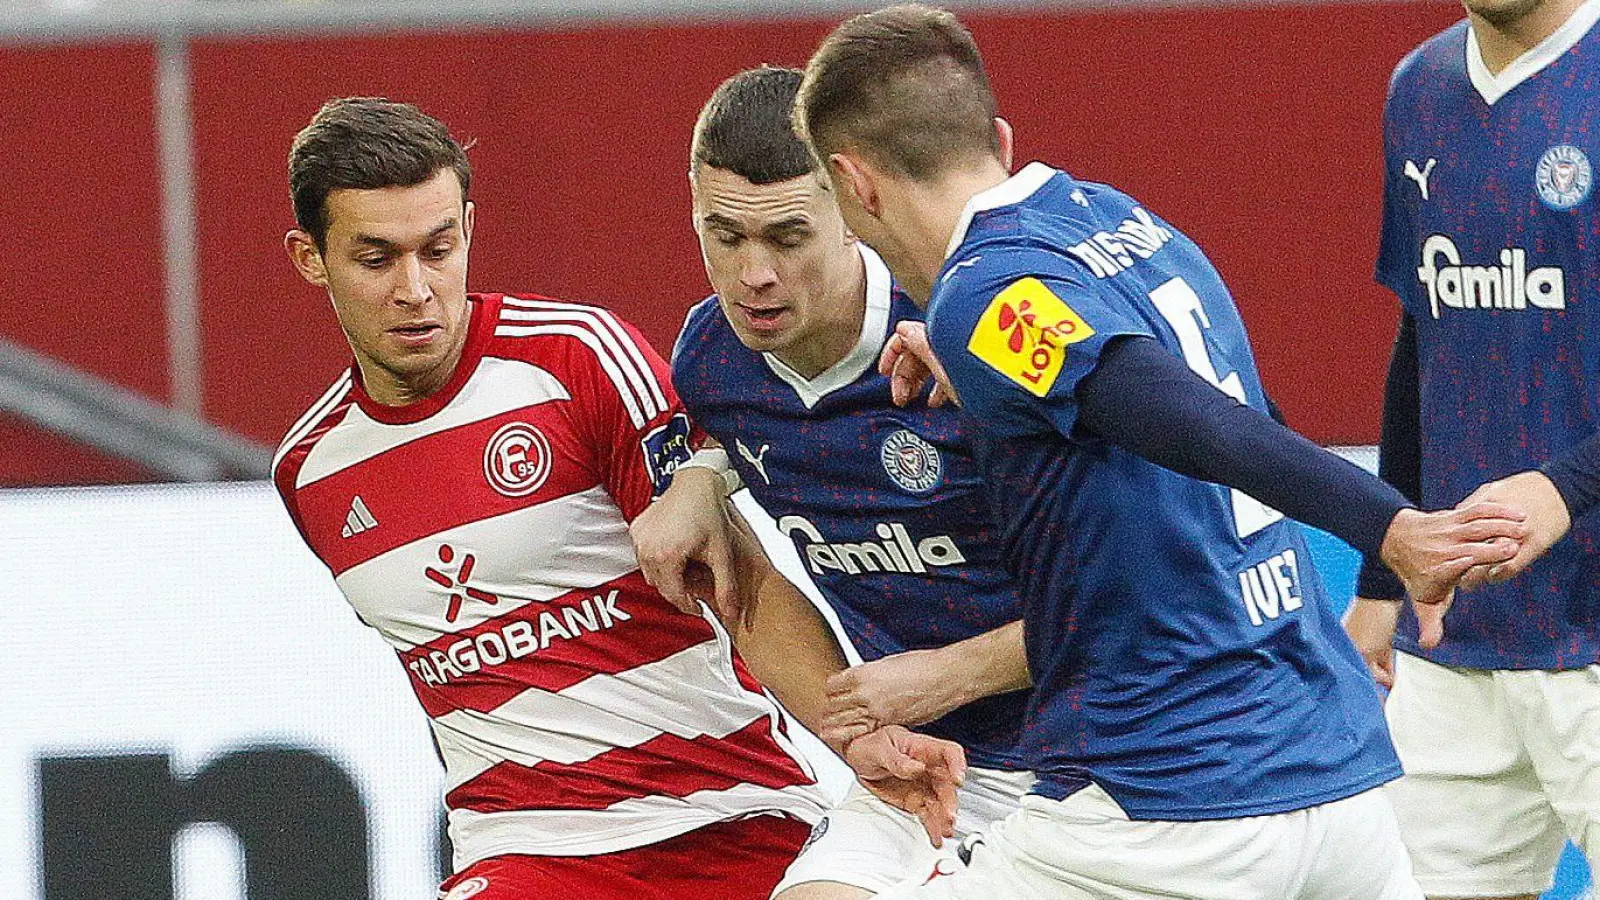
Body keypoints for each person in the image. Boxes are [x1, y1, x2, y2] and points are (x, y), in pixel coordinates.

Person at [791, 6, 1533, 898]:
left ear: (853, 184)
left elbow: (1176, 411)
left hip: (1167, 809)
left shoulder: (982, 295)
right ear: (996, 136)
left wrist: (1392, 528)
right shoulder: (1117, 222)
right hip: (1334, 789)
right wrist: (974, 357)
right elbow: (1232, 409)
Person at [270, 97, 952, 900]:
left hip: (725, 814)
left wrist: (856, 741)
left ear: (468, 229)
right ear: (310, 258)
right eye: (376, 259)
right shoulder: (310, 469)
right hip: (524, 849)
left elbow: (739, 584)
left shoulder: (577, 360)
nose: (416, 289)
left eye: (439, 248)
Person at [630, 66, 1033, 899]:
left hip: (1106, 760)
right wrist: (707, 468)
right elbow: (745, 593)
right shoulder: (712, 363)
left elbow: (1143, 593)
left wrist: (945, 675)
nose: (754, 275)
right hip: (927, 773)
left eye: (787, 236)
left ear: (852, 206)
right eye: (725, 235)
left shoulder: (964, 337)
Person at [1343, 0, 1600, 894]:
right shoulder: (1419, 88)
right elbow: (1423, 338)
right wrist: (1381, 582)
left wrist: (1569, 485)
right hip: (1461, 639)